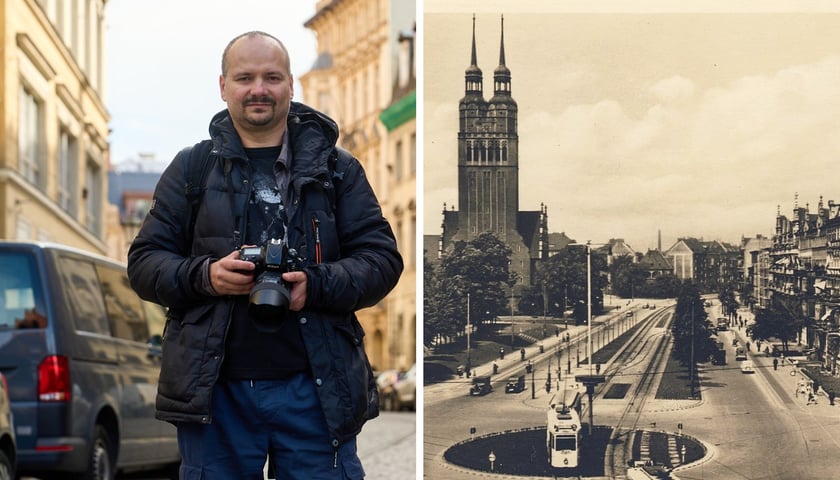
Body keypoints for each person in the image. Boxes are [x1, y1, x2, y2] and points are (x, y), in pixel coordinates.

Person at [127, 31, 402, 479]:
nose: (258, 89)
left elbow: (382, 260)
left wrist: (315, 285)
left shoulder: (337, 169)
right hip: (215, 395)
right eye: (245, 77)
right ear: (223, 86)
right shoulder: (191, 168)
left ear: (291, 85)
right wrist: (207, 276)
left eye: (271, 77)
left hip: (317, 391)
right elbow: (143, 265)